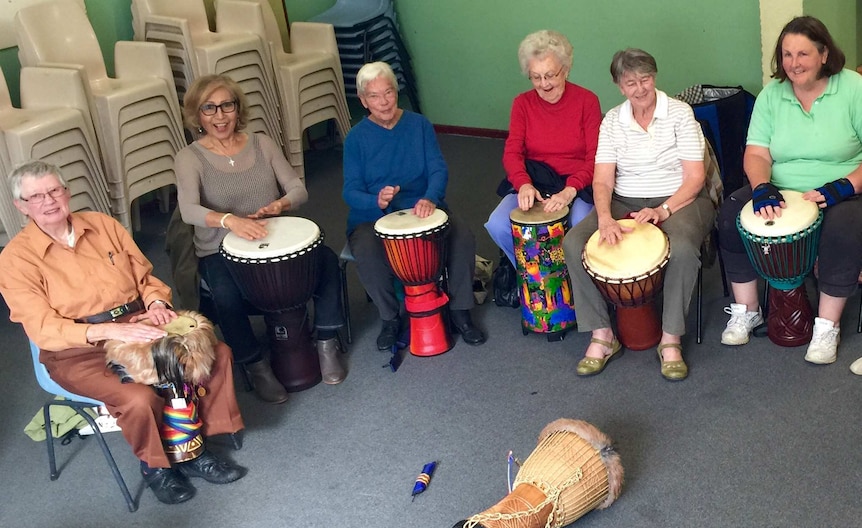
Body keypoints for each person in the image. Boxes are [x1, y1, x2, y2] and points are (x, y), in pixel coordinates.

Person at [0, 160, 246, 505]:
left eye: (54, 190)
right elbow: (41, 327)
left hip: (137, 322)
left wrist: (157, 302)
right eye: (36, 196)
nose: (49, 200)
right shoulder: (16, 259)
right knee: (138, 397)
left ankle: (193, 447)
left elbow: (144, 278)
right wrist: (109, 330)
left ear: (66, 192)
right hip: (77, 349)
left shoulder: (102, 225)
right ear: (21, 206)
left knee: (216, 355)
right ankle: (156, 466)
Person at [175, 74, 347, 402]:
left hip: (272, 237)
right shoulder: (190, 158)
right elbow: (188, 210)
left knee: (325, 260)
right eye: (209, 108)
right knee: (224, 293)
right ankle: (255, 364)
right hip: (219, 248)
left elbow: (298, 189)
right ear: (197, 115)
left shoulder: (262, 143)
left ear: (238, 109)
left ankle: (325, 342)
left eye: (227, 105)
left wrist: (280, 204)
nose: (220, 115)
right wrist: (230, 221)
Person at [562, 48, 715, 381]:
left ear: (654, 77)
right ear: (620, 86)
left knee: (684, 249)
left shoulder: (679, 113)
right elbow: (602, 178)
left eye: (645, 79)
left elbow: (695, 178)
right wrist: (604, 217)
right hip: (624, 198)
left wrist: (664, 209)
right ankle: (603, 335)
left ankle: (671, 339)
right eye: (631, 82)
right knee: (574, 244)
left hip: (680, 198)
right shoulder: (613, 120)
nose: (640, 88)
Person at [717, 16, 862, 365]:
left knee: (842, 229)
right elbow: (756, 153)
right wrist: (762, 185)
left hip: (844, 189)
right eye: (786, 54)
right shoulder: (772, 95)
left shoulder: (853, 88)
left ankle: (827, 326)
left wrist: (846, 185)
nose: (794, 63)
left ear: (824, 53)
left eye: (803, 54)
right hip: (782, 188)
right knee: (730, 215)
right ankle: (747, 309)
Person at [343, 61, 485, 350]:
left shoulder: (419, 125)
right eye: (374, 96)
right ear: (362, 101)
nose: (383, 102)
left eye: (389, 93)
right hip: (373, 215)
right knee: (367, 249)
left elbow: (437, 169)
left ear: (397, 93)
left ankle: (460, 310)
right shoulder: (355, 138)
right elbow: (350, 191)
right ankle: (390, 317)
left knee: (462, 236)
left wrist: (430, 197)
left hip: (424, 207)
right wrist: (376, 200)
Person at [485, 30, 601, 268]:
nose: (544, 84)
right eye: (535, 77)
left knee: (579, 224)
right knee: (497, 224)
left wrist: (570, 190)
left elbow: (595, 157)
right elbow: (513, 152)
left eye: (550, 75)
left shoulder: (587, 101)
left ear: (566, 70)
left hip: (576, 184)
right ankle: (534, 277)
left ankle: (575, 282)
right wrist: (523, 183)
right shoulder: (522, 104)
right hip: (535, 180)